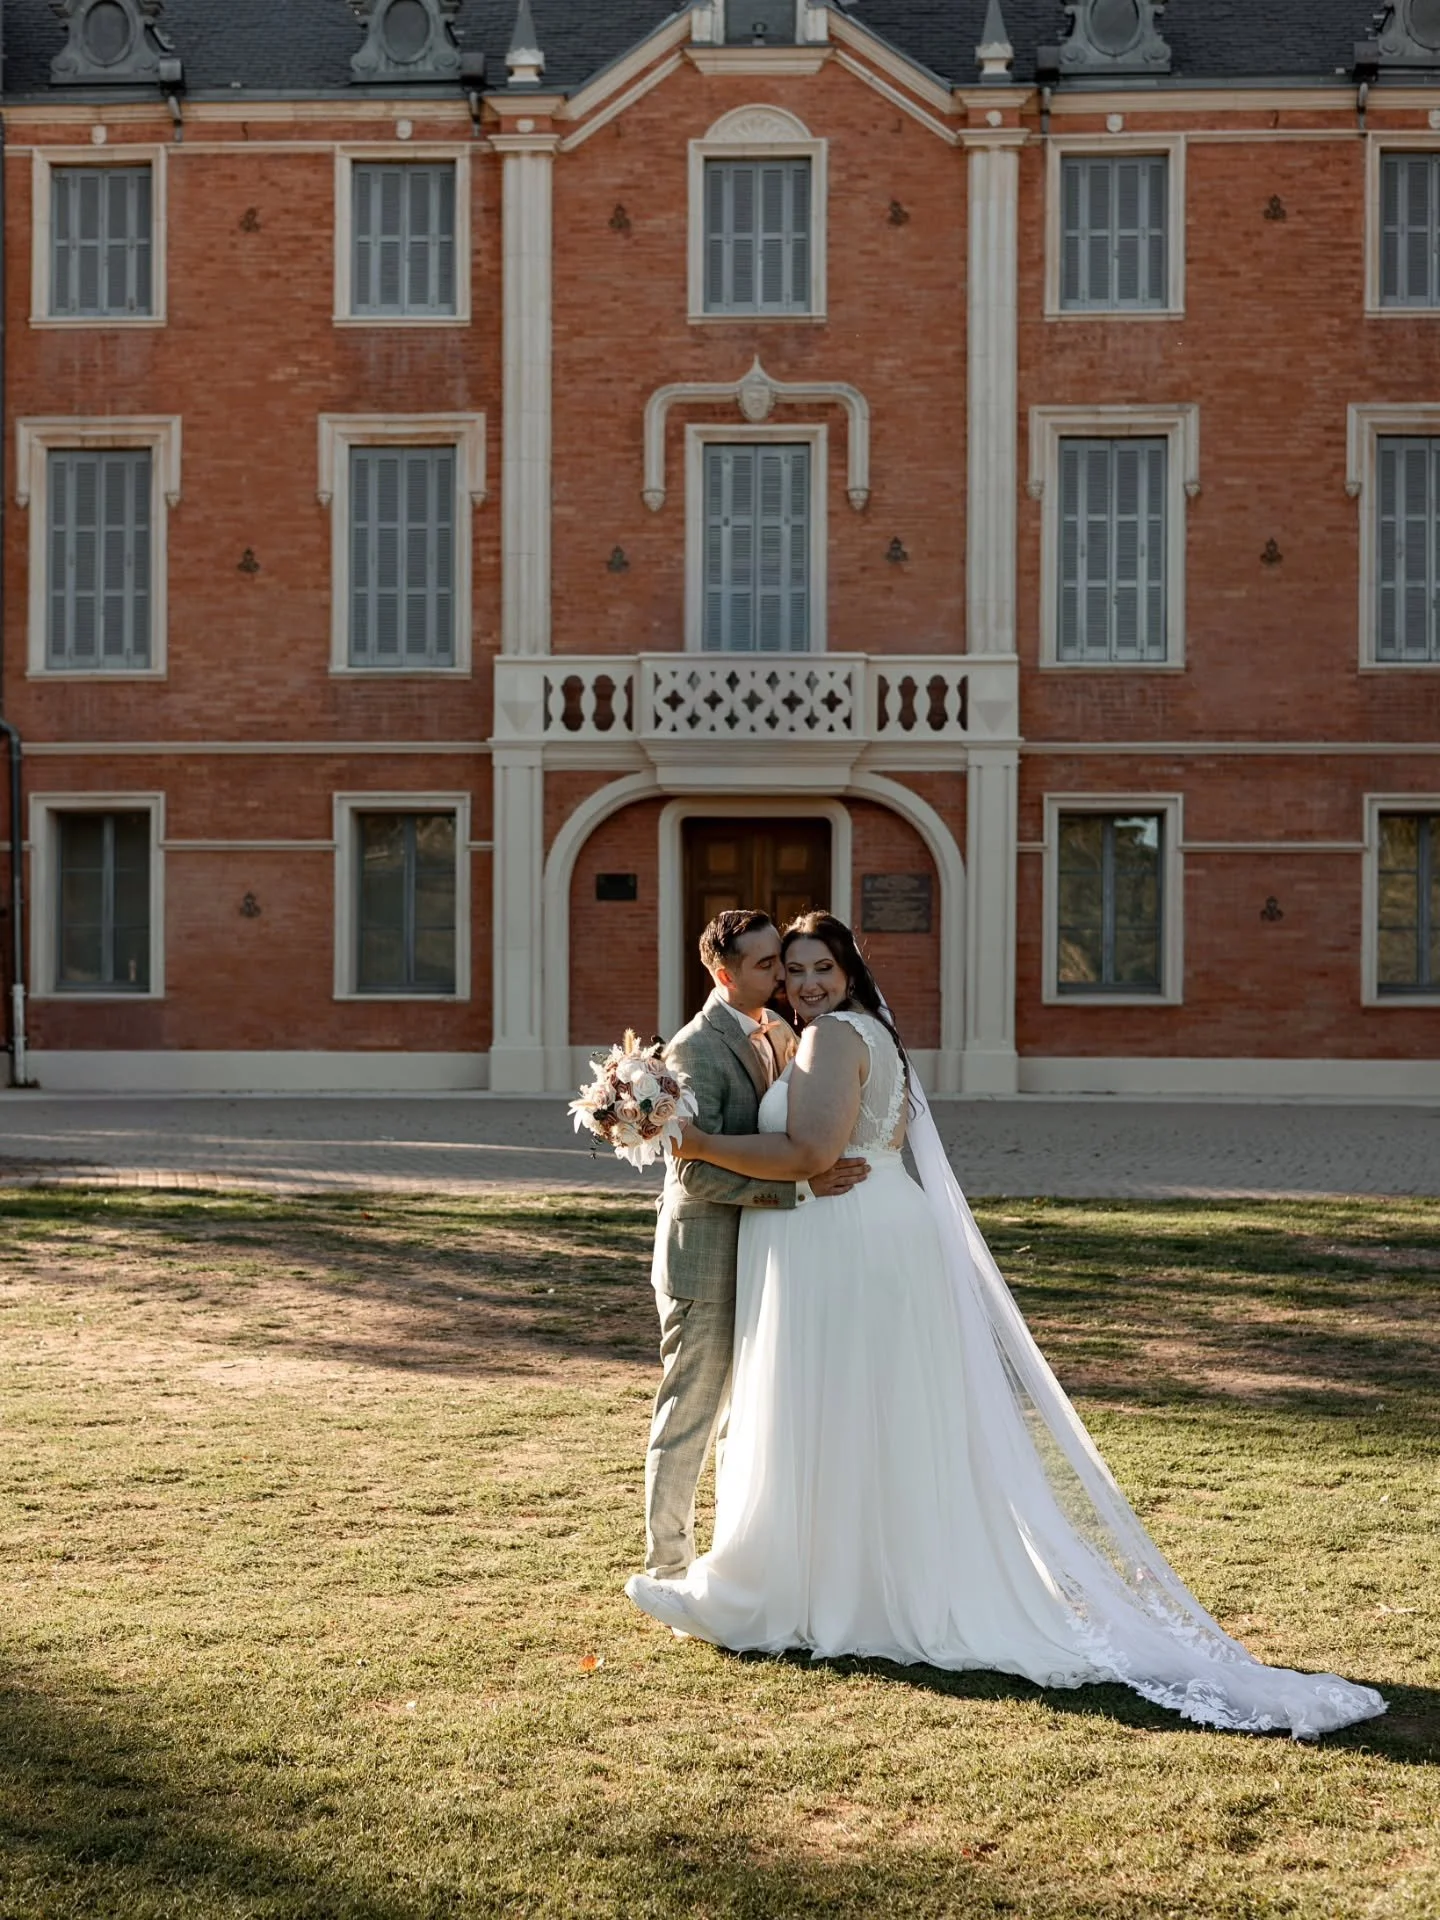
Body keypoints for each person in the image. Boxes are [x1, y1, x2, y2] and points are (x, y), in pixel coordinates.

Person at [626, 911, 1386, 1739]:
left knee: (837, 1408)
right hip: (863, 1234)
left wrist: (694, 1139)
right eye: (789, 968)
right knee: (872, 1415)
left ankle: (820, 1589)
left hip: (842, 1240)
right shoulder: (862, 1032)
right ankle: (856, 1581)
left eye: (817, 968)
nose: (801, 982)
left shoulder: (829, 1039)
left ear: (847, 972)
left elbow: (811, 1156)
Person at [642, 909, 869, 1583]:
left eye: (785, 960)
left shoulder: (778, 1029)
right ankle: (668, 1567)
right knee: (691, 1413)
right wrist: (802, 1188)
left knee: (756, 1412)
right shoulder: (694, 1049)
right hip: (706, 1256)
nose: (784, 976)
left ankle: (744, 1554)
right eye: (768, 964)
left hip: (769, 1252)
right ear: (723, 973)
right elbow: (694, 1167)